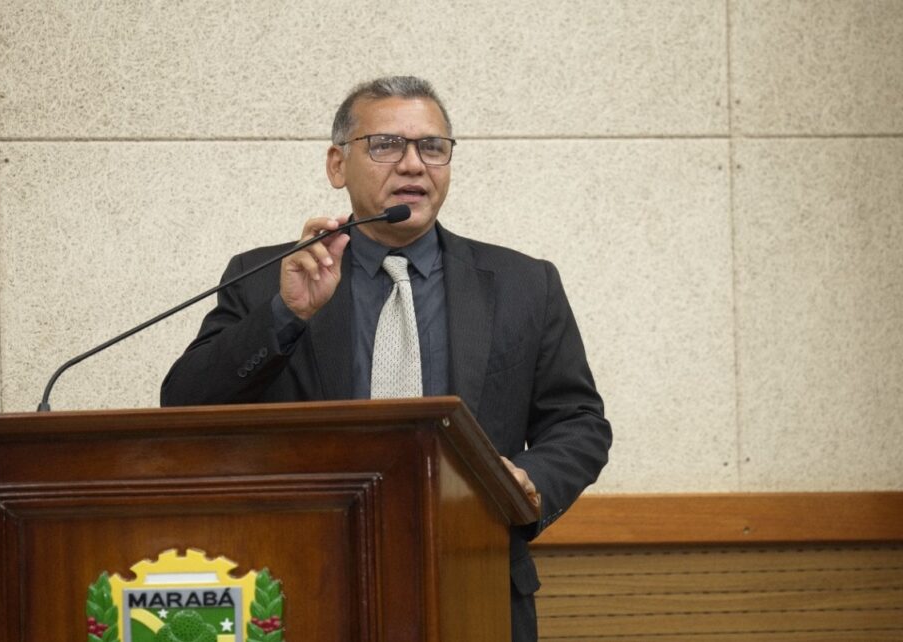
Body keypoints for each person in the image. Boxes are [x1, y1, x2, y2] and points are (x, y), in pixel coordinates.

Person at [161, 76, 611, 641]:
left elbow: (579, 421)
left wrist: (528, 479)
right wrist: (285, 315)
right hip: (308, 583)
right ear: (336, 164)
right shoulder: (270, 280)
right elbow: (185, 404)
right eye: (386, 145)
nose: (413, 164)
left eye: (432, 147)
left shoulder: (524, 284)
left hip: (475, 582)